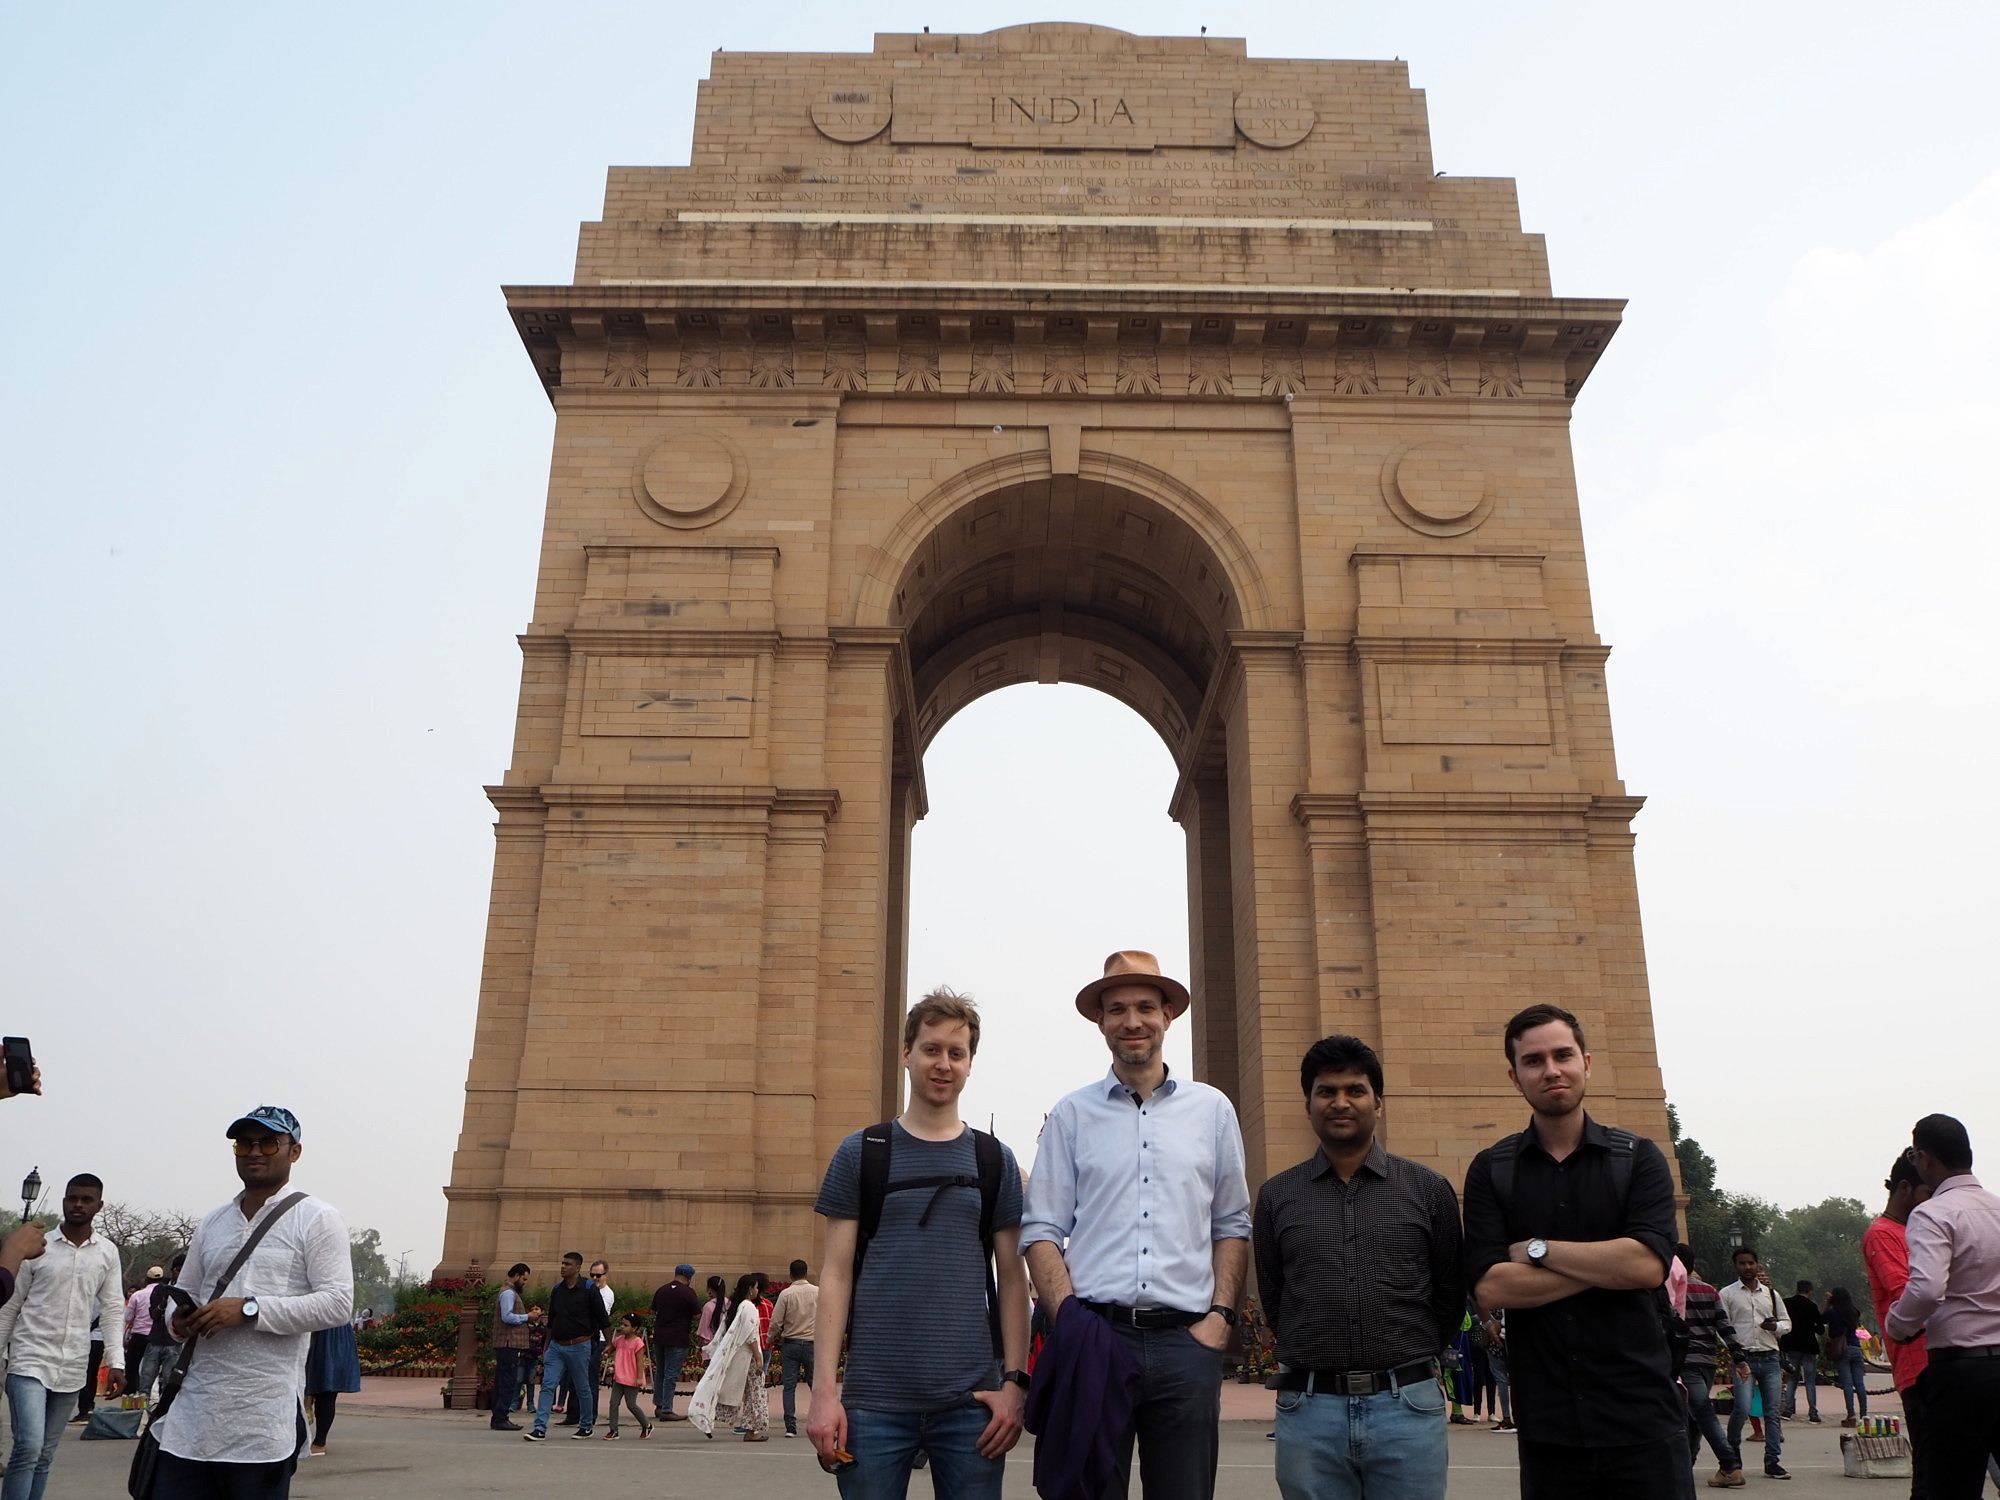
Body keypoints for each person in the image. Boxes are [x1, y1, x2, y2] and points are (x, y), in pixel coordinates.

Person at [1022, 951, 1251, 1500]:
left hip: (1187, 1343)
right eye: (1117, 1008)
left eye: (1145, 1006)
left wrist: (1220, 1317)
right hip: (1098, 1337)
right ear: (1100, 1020)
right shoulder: (1072, 1115)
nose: (1132, 1021)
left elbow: (1232, 1222)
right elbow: (1041, 1229)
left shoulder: (1213, 1111)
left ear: (1168, 1014)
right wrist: (1071, 1319)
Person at [806, 988, 1030, 1497]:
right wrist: (824, 1393)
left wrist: (1014, 1385)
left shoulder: (994, 1162)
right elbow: (836, 1275)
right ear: (906, 1053)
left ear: (972, 1063)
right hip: (872, 1404)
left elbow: (1014, 1280)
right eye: (931, 1049)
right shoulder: (860, 1153)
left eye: (957, 1052)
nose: (943, 1064)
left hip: (972, 1405)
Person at [1463, 1003, 1691, 1500]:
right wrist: (1610, 1265)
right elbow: (1490, 1286)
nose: (1551, 1070)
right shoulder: (1491, 1170)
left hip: (1644, 1421)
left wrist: (1538, 1251)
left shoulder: (1638, 1159)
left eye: (1562, 1055)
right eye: (1534, 1060)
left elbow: (1649, 1266)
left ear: (1586, 1062)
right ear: (1514, 1075)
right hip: (1550, 1430)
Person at [1253, 1033, 1463, 1500]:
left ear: (1378, 1102)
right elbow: (1274, 1293)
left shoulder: (1428, 1190)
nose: (1340, 1102)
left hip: (1406, 1404)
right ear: (1308, 1104)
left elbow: (1449, 1290)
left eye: (1355, 1090)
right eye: (1326, 1091)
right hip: (1310, 1410)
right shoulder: (1276, 1197)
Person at [152, 1105, 352, 1499]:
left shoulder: (317, 1218)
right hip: (193, 1415)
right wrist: (182, 1321)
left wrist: (248, 1309)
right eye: (244, 1144)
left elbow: (338, 1303)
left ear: (294, 1151)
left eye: (268, 1142)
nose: (255, 1152)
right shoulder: (213, 1221)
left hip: (262, 1419)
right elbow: (185, 1291)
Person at [1886, 1114, 2000, 1498]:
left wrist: (1898, 1325)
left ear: (1925, 1158)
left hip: (1961, 1371)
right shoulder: (1997, 1209)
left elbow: (1928, 1288)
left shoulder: (1934, 1213)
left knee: (1952, 1486)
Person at [0, 1172, 125, 1500]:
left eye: (86, 1200)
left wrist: (117, 1361)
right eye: (73, 1198)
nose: (78, 1205)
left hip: (72, 1365)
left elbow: (113, 1309)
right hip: (29, 1359)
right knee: (28, 1446)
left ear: (99, 1205)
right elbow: (9, 1305)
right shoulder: (37, 1247)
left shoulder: (107, 1254)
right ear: (64, 1200)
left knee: (44, 1455)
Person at [1862, 1152, 1933, 1500]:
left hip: (1943, 1361)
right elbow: (1907, 1292)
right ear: (1905, 1188)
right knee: (1932, 1468)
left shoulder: (1919, 1229)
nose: (1932, 1201)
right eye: (1927, 1192)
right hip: (1918, 1365)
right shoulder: (1882, 1234)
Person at [1676, 1244, 1748, 1488]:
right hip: (1707, 1361)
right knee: (1695, 1413)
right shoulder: (1709, 1291)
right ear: (1692, 1264)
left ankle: (1730, 1465)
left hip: (1685, 1361)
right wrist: (1739, 1359)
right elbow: (1725, 1328)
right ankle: (1688, 1462)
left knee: (1702, 1412)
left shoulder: (1670, 1290)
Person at [1718, 1245, 1791, 1480]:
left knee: (1772, 1412)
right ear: (1735, 1266)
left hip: (1769, 1358)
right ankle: (1732, 1458)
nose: (1747, 1267)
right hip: (1743, 1359)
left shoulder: (1771, 1294)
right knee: (1741, 1408)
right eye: (1742, 1263)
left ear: (1757, 1265)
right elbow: (1722, 1326)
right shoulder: (1727, 1294)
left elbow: (1787, 1323)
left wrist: (1775, 1327)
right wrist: (1734, 1350)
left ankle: (1772, 1461)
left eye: (1751, 1263)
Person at [524, 1251, 609, 1440]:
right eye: (562, 1263)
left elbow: (603, 1319)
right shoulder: (557, 1290)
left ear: (578, 1267)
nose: (563, 1266)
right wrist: (546, 1347)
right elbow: (552, 1321)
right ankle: (539, 1428)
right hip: (557, 1346)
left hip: (580, 1345)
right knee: (548, 1385)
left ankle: (586, 1425)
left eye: (568, 1264)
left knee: (582, 1387)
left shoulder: (588, 1289)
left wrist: (610, 1344)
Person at [692, 1273, 772, 1442]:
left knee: (749, 1393)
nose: (757, 1290)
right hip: (748, 1356)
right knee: (755, 1393)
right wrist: (758, 1358)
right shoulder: (749, 1307)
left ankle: (745, 1427)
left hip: (739, 1356)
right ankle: (752, 1430)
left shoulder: (736, 1306)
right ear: (750, 1290)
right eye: (756, 1287)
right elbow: (751, 1336)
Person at [769, 1258, 818, 1438]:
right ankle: (819, 1421)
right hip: (812, 1343)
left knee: (789, 1386)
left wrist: (770, 1338)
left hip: (791, 1343)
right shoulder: (817, 1292)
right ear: (806, 1273)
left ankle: (790, 1426)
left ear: (791, 1274)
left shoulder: (786, 1294)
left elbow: (776, 1322)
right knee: (816, 1386)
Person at [134, 1255, 189, 1403]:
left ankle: (161, 1415)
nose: (180, 1273)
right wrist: (163, 1304)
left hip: (174, 1344)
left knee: (168, 1384)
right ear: (173, 1270)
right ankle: (137, 1416)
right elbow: (153, 1314)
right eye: (178, 1270)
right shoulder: (160, 1289)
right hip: (155, 1341)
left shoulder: (187, 1291)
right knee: (145, 1382)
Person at [303, 1318, 362, 1455]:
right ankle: (306, 1439)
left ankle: (319, 1442)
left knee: (326, 1389)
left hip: (329, 1332)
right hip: (313, 1329)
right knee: (320, 1388)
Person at [649, 1263, 699, 1422]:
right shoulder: (688, 1293)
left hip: (660, 1335)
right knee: (671, 1374)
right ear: (689, 1277)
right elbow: (698, 1314)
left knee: (661, 1372)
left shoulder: (662, 1290)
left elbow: (653, 1310)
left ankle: (659, 1405)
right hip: (678, 1337)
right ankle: (667, 1409)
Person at [490, 1263, 537, 1431]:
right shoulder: (509, 1293)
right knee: (507, 1381)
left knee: (504, 1380)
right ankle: (501, 1417)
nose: (524, 1282)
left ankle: (498, 1417)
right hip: (507, 1344)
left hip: (507, 1344)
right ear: (516, 1276)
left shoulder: (508, 1292)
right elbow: (507, 1317)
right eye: (524, 1279)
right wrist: (527, 1316)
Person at [1777, 1279, 1822, 1424]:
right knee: (1809, 1381)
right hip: (1809, 1346)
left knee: (1792, 1379)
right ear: (1810, 1292)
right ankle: (1813, 1413)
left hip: (1792, 1345)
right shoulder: (1812, 1306)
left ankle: (1788, 1410)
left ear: (1796, 1289)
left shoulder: (1787, 1303)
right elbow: (1820, 1329)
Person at [603, 1312, 653, 1439]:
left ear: (635, 1328)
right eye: (622, 1324)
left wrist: (639, 1378)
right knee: (613, 1403)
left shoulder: (637, 1343)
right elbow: (611, 1348)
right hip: (619, 1377)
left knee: (631, 1405)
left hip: (631, 1379)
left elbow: (640, 1361)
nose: (622, 1327)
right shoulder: (619, 1340)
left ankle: (646, 1425)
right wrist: (606, 1352)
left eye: (626, 1325)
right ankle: (613, 1430)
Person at [1823, 1287, 1868, 1427]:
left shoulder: (1832, 1312)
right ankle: (1864, 1414)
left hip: (1842, 1350)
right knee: (1859, 1383)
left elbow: (1820, 1319)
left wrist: (1828, 1304)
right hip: (1856, 1348)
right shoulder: (1854, 1312)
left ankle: (1851, 1414)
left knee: (1847, 1384)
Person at [125, 1267, 165, 1386]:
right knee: (152, 1370)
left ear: (146, 1279)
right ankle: (148, 1399)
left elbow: (128, 1318)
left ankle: (132, 1398)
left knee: (132, 1368)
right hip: (157, 1337)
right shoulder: (166, 1295)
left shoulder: (138, 1295)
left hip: (139, 1336)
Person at [697, 1274, 727, 1358]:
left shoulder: (708, 1306)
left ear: (709, 1289)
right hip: (726, 1346)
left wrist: (698, 1346)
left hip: (711, 1348)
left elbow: (703, 1331)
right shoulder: (729, 1304)